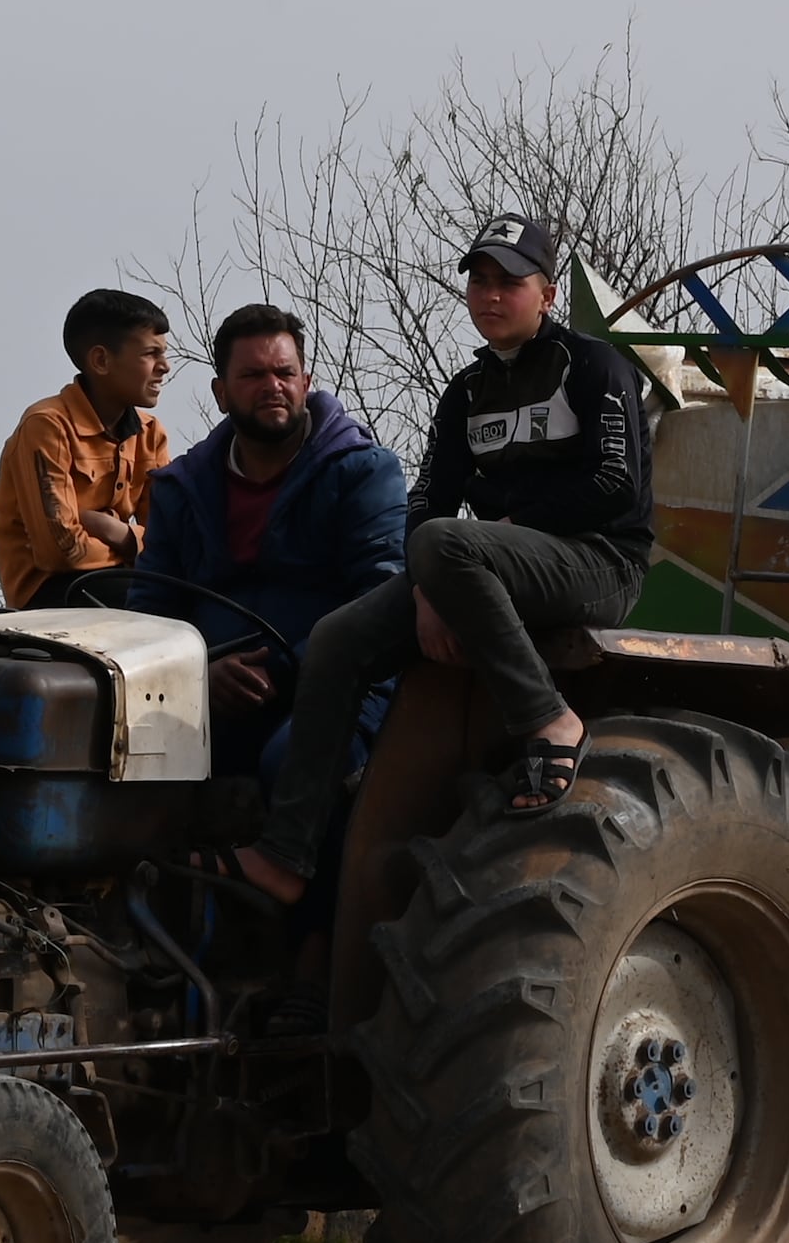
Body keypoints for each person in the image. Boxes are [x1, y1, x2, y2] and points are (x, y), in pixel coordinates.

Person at [233, 211, 654, 896]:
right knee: (336, 639)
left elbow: (615, 484)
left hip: (598, 560)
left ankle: (548, 717)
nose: (490, 295)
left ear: (547, 294)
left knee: (444, 543)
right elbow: (429, 500)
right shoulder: (467, 391)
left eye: (509, 282)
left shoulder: (594, 364)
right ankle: (287, 855)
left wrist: (510, 524)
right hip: (482, 565)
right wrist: (428, 593)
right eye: (479, 281)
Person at [139, 303, 408, 775]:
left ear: (306, 383)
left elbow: (382, 594)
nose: (273, 387)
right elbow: (151, 608)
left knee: (290, 762)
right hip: (203, 688)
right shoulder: (180, 489)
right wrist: (198, 672)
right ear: (221, 393)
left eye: (285, 372)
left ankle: (288, 851)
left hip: (338, 682)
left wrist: (282, 670)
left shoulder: (363, 472)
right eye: (253, 375)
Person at [0, 288, 173, 607]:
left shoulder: (149, 434)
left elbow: (171, 543)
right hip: (51, 594)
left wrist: (117, 533)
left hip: (124, 580)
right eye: (150, 354)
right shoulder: (48, 426)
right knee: (164, 608)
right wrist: (137, 550)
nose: (165, 366)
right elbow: (60, 551)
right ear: (101, 360)